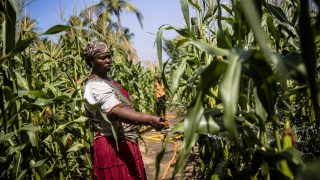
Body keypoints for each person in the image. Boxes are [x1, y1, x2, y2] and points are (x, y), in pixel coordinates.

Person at [83, 41, 168, 180]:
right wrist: (151, 119)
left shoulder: (107, 80)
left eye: (109, 56)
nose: (108, 60)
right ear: (92, 61)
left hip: (123, 143)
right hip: (112, 145)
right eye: (102, 57)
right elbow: (116, 112)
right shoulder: (96, 86)